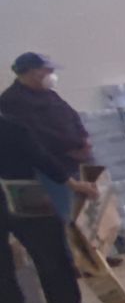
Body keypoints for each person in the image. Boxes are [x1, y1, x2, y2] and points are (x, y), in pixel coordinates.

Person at [0, 114, 96, 303]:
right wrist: (74, 184)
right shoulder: (10, 126)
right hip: (22, 193)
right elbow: (40, 156)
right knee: (51, 255)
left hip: (18, 192)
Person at [1, 52, 91, 223]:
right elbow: (37, 137)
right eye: (47, 70)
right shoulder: (12, 101)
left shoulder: (49, 94)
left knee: (86, 215)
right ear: (32, 72)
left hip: (76, 161)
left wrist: (84, 139)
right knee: (68, 218)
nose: (52, 74)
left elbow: (72, 116)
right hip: (54, 169)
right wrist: (70, 150)